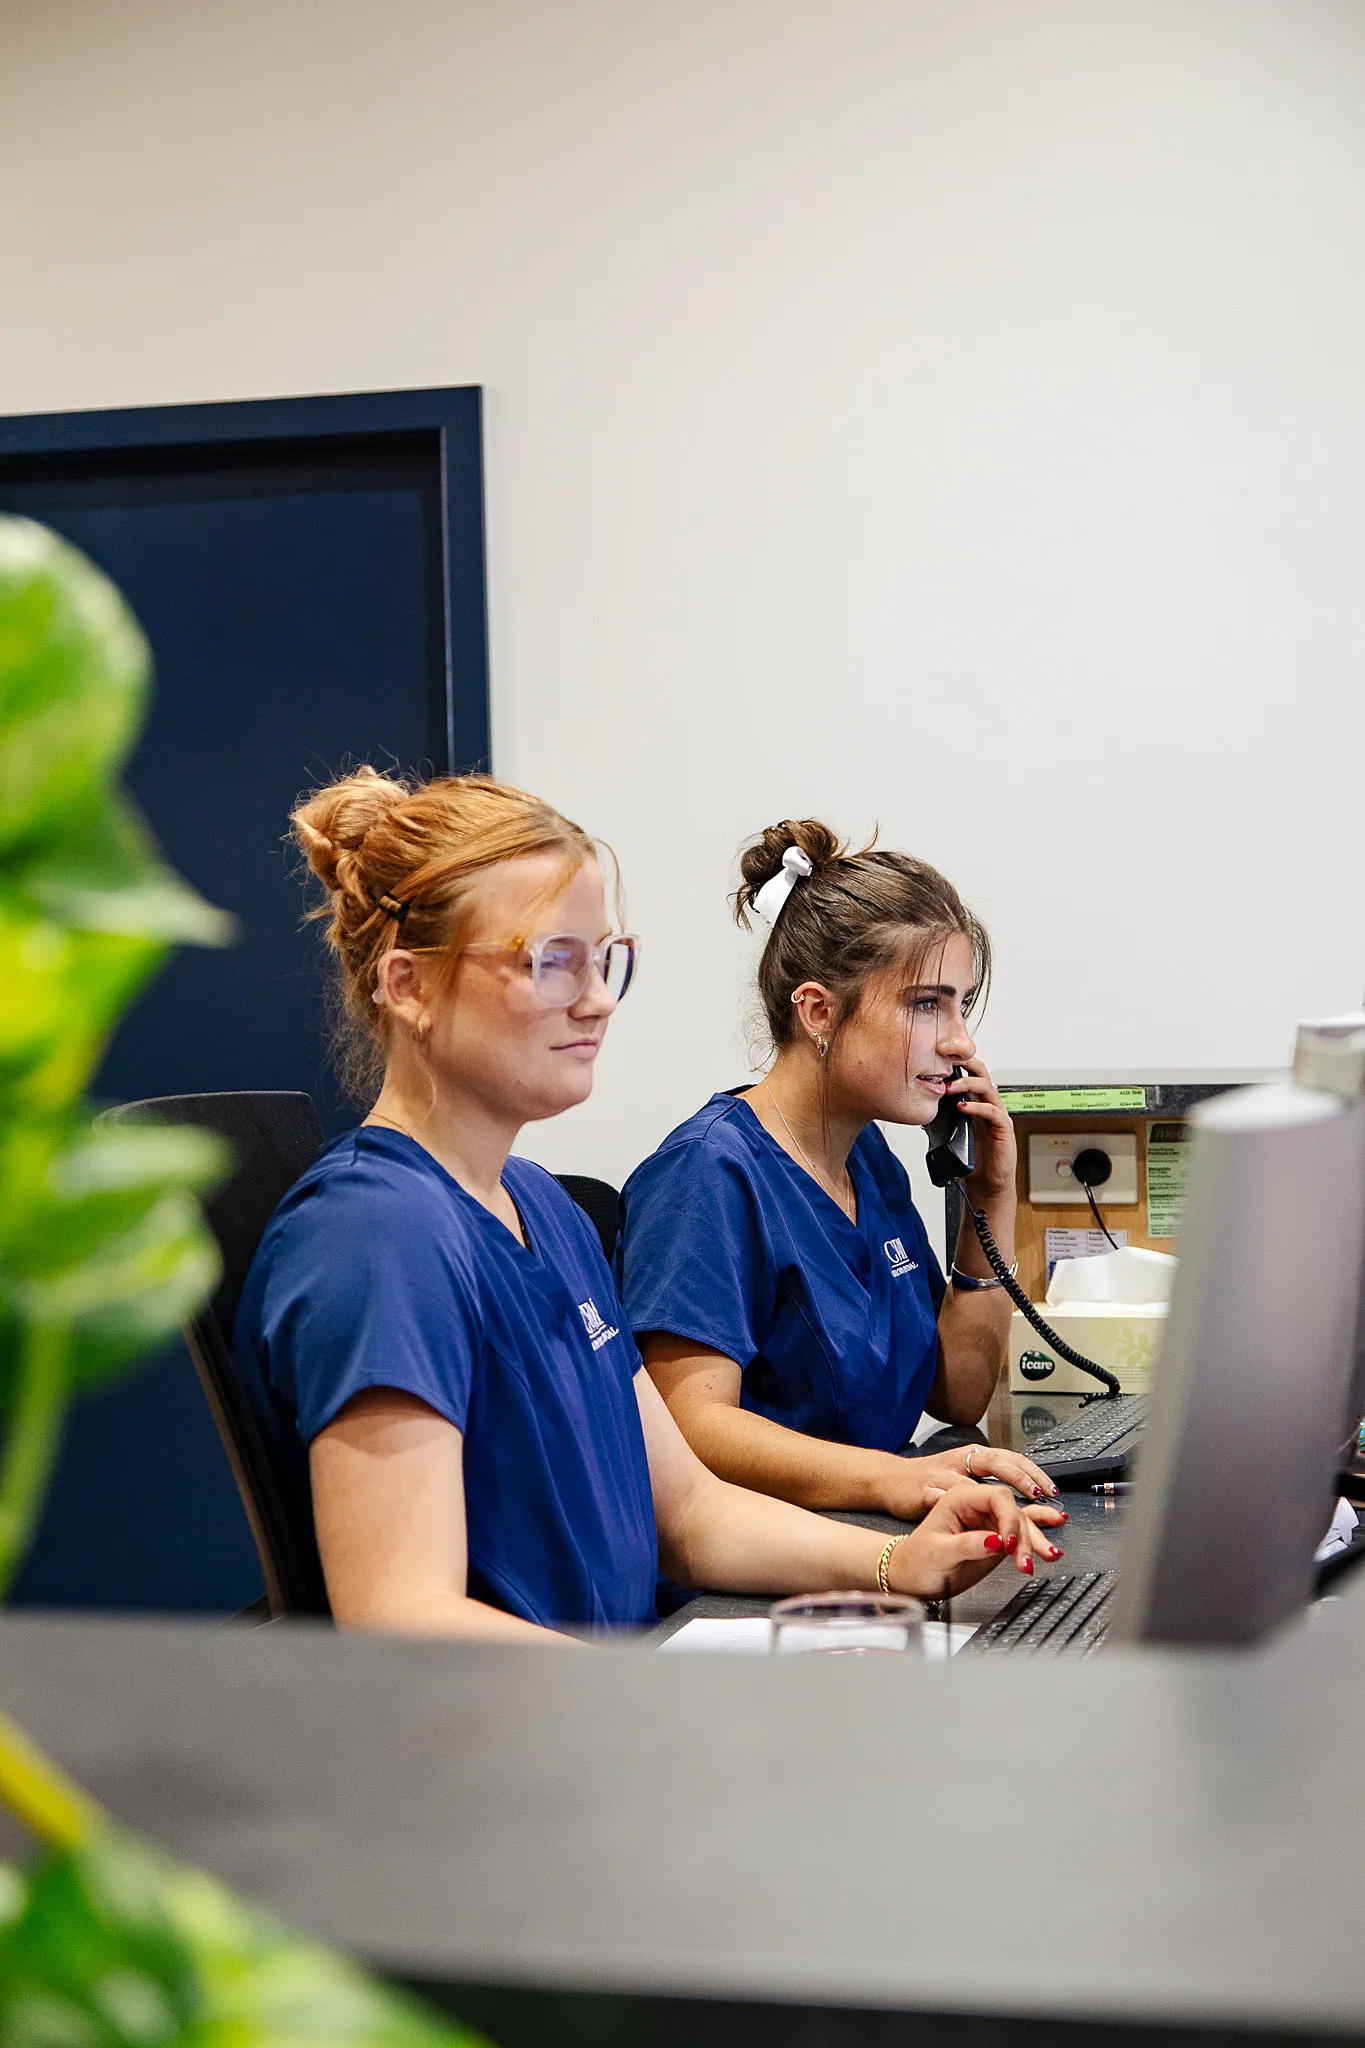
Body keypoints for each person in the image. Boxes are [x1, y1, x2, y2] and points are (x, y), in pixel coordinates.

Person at [234, 771, 1064, 1642]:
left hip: (613, 1696)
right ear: (407, 986)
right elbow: (399, 1613)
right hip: (510, 1744)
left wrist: (897, 1565)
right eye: (550, 961)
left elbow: (690, 1512)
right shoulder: (376, 1235)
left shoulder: (540, 1208)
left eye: (602, 961)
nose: (595, 999)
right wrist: (656, 1709)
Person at [617, 818, 1056, 1523]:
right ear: (818, 1011)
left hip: (871, 1541)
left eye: (961, 1004)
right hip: (743, 1584)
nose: (959, 1041)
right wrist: (891, 1479)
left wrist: (991, 1198)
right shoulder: (706, 1173)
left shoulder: (870, 1162)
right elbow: (688, 1425)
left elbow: (956, 1394)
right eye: (925, 1004)